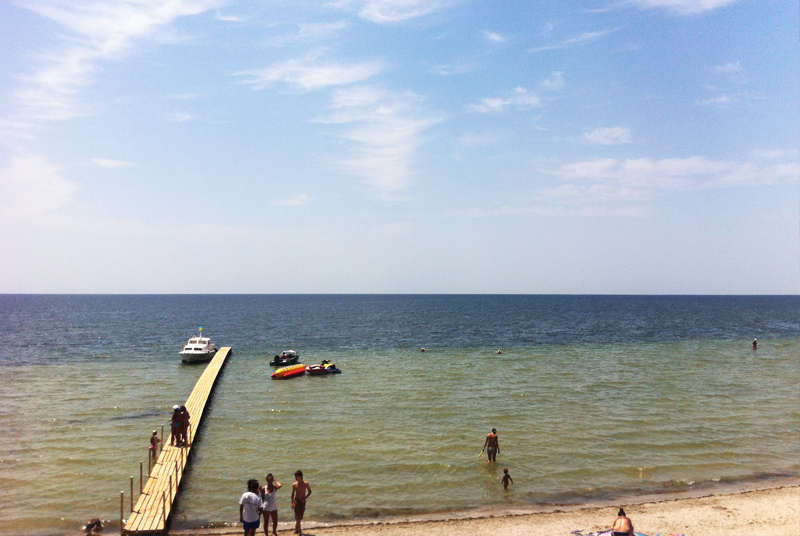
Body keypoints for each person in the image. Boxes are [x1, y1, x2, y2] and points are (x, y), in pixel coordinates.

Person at [290, 470, 312, 535]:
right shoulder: (294, 484)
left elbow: (310, 491)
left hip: (302, 502)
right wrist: (292, 503)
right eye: (295, 476)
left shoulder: (306, 483)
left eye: (296, 476)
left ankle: (296, 528)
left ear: (300, 476)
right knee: (298, 518)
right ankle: (300, 532)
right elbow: (292, 494)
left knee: (300, 517)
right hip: (296, 501)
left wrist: (305, 498)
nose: (296, 478)